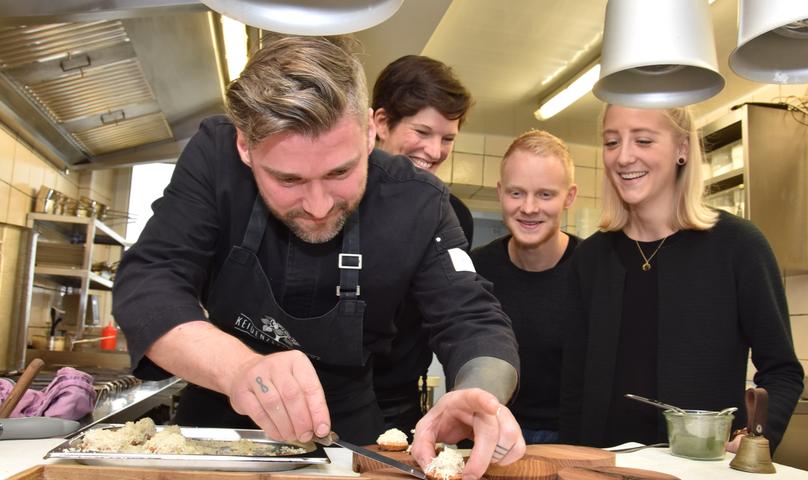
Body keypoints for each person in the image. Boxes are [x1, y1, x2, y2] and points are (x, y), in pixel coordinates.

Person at [112, 36, 524, 478]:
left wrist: (479, 393)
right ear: (245, 148)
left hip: (349, 436)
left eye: (340, 172)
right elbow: (149, 282)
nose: (319, 205)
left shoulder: (419, 201)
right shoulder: (214, 158)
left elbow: (474, 320)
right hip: (216, 429)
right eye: (288, 179)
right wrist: (239, 368)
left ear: (369, 131)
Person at [558, 105, 803, 453]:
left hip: (700, 468)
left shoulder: (738, 245)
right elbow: (574, 386)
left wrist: (754, 436)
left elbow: (783, 371)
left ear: (683, 149)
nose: (624, 157)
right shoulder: (590, 258)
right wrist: (570, 461)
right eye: (612, 142)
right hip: (602, 468)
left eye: (643, 140)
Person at [370, 55, 474, 436]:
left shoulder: (452, 216)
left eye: (447, 138)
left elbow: (455, 313)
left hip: (398, 405)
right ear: (381, 123)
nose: (435, 151)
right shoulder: (336, 199)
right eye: (422, 132)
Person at [471, 130, 580, 445]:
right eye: (516, 193)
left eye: (545, 194)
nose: (529, 208)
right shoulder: (477, 269)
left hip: (571, 440)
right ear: (500, 192)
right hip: (485, 433)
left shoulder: (594, 269)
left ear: (569, 196)